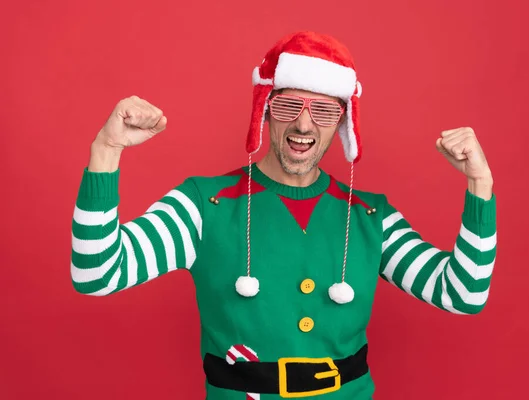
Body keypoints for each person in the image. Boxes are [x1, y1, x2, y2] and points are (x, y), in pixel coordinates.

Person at [71, 31, 497, 399]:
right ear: (266, 108)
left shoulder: (371, 216)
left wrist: (480, 184)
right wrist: (106, 152)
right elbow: (97, 273)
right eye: (291, 105)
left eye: (325, 111)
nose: (305, 126)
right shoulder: (203, 205)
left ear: (343, 125)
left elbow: (463, 294)